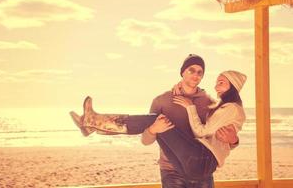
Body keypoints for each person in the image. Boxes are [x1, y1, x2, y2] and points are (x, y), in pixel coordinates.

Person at [70, 55, 240, 188]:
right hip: (171, 171)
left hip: (200, 170)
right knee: (151, 120)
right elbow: (145, 140)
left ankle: (92, 123)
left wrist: (234, 140)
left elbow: (217, 135)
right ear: (182, 72)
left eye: (200, 72)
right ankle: (92, 124)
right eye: (191, 70)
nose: (196, 75)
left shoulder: (209, 103)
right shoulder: (162, 101)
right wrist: (153, 130)